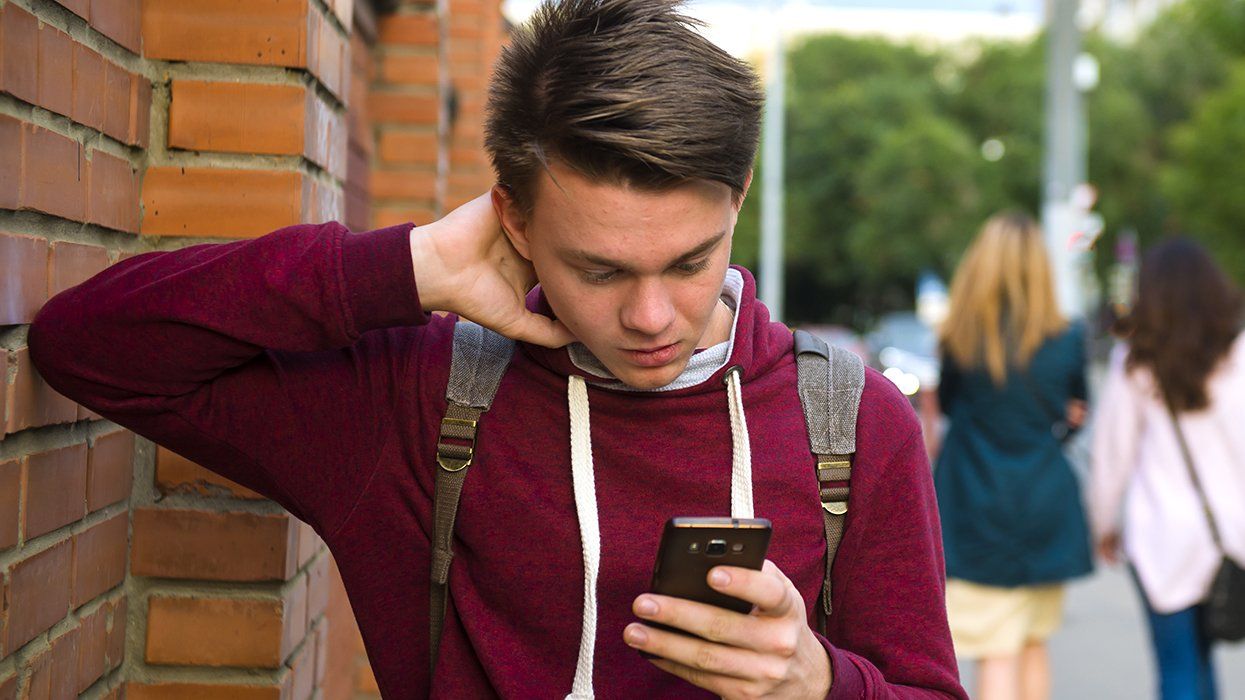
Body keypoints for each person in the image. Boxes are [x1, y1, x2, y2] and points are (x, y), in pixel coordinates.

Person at [30, 1, 966, 697]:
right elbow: (88, 346)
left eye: (689, 261)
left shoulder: (848, 421)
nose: (651, 316)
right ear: (513, 220)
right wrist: (404, 266)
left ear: (740, 193)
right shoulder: (423, 396)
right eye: (599, 270)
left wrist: (818, 684)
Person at [933, 212, 1093, 700]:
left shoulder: (960, 337)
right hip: (1044, 502)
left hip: (975, 501)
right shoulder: (1067, 338)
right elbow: (1077, 414)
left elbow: (951, 407)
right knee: (1032, 642)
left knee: (996, 651)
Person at [1090, 239, 1245, 700]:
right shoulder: (1238, 354)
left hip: (1160, 537)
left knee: (1178, 667)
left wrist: (1103, 525)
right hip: (1232, 532)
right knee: (1204, 659)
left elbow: (1111, 456)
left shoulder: (1136, 361)